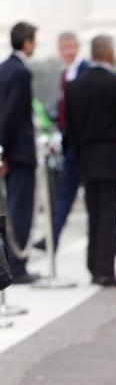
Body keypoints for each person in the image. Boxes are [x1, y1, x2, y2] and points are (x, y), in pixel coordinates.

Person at [63, 35, 116, 286]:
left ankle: (94, 265)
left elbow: (69, 128)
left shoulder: (74, 86)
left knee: (94, 214)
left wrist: (79, 152)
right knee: (108, 215)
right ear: (111, 54)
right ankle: (103, 269)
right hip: (113, 160)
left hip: (86, 159)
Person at [0, 22, 40, 284]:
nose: (35, 44)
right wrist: (3, 152)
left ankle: (9, 265)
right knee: (20, 209)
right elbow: (11, 114)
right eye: (34, 40)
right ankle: (17, 266)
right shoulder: (21, 71)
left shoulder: (4, 67)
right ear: (26, 42)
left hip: (9, 151)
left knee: (9, 208)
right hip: (18, 154)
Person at [44, 33, 92, 251]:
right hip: (69, 145)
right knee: (64, 194)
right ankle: (51, 239)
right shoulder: (64, 73)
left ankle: (103, 243)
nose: (68, 51)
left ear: (77, 47)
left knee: (94, 200)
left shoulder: (86, 71)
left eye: (71, 46)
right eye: (64, 47)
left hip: (85, 146)